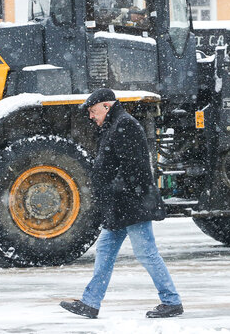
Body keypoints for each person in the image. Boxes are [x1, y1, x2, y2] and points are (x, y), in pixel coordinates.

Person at [60, 88, 183, 319]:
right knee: (105, 251)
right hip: (119, 206)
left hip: (132, 205)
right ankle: (90, 302)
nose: (91, 116)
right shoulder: (114, 125)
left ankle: (172, 301)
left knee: (146, 252)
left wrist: (116, 191)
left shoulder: (125, 125)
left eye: (93, 111)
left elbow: (134, 169)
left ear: (107, 106)